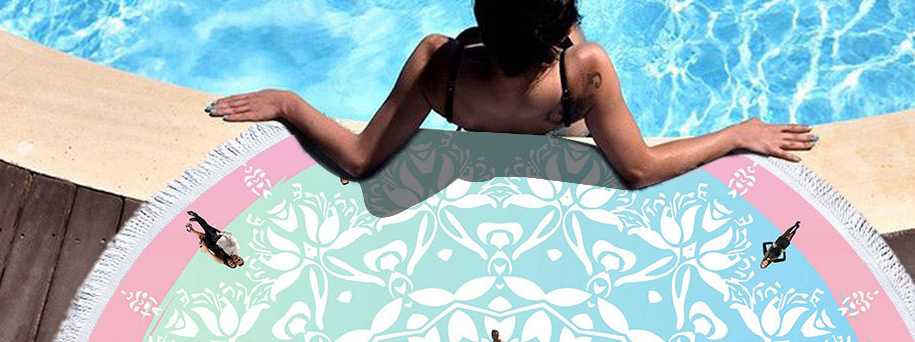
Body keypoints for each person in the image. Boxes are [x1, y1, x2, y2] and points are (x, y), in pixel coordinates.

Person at [205, 1, 816, 189]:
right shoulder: (585, 69)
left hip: (476, 113)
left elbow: (361, 159)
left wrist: (290, 103)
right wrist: (737, 134)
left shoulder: (438, 62)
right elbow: (638, 169)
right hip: (558, 122)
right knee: (577, 52)